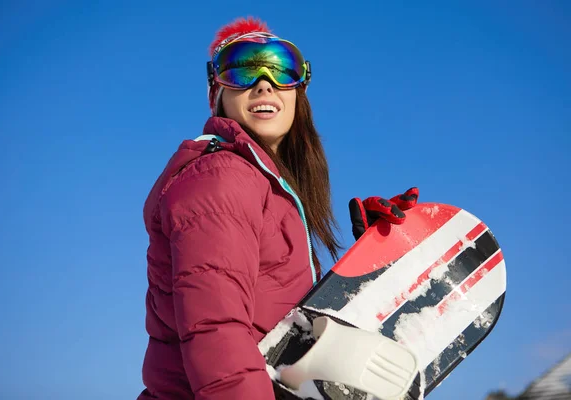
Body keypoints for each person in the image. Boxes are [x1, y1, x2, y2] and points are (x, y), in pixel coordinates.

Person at [137, 16, 419, 400]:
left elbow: (280, 328)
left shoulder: (268, 188)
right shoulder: (221, 178)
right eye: (241, 69)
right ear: (217, 92)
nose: (264, 82)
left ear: (299, 91)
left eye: (282, 68)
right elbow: (217, 330)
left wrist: (364, 261)